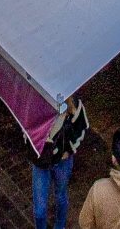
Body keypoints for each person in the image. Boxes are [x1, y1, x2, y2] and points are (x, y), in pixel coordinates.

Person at [32, 97, 90, 229]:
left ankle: (60, 226)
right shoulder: (35, 100)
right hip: (41, 162)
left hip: (63, 162)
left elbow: (82, 130)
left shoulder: (75, 104)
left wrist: (69, 150)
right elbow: (28, 127)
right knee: (39, 211)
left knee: (61, 196)